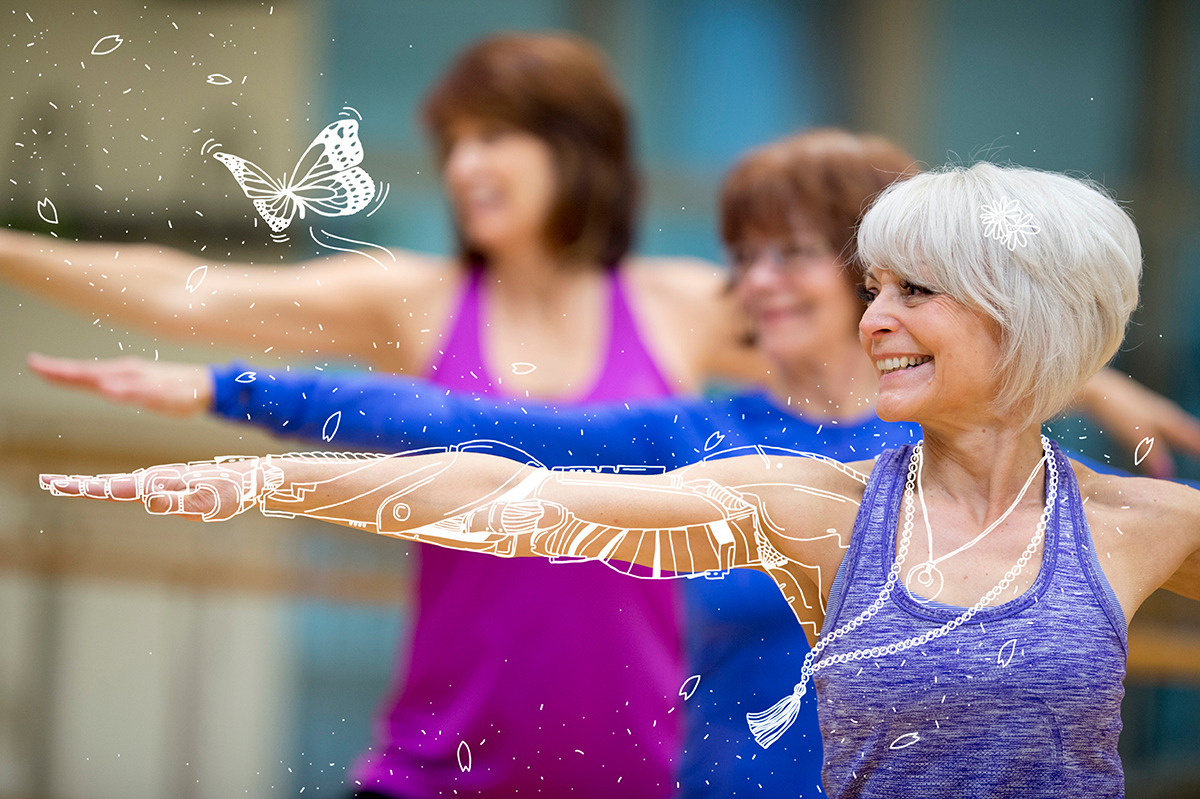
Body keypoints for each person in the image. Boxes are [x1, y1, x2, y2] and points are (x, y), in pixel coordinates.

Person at [29, 138, 1200, 796]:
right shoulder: (796, 494)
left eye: (905, 288)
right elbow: (496, 477)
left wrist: (1095, 382)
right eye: (871, 283)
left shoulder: (1148, 522)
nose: (868, 314)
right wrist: (253, 451)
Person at [4, 33, 773, 798]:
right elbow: (187, 289)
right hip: (435, 771)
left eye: (494, 135)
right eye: (455, 143)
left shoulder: (678, 304)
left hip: (632, 776)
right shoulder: (415, 301)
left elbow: (848, 350)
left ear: (577, 148)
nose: (464, 165)